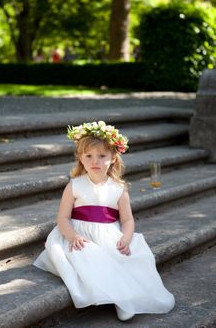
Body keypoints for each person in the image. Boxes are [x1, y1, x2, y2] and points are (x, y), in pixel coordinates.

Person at [33, 121, 175, 321]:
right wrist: (72, 236)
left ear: (113, 158)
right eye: (89, 156)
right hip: (79, 234)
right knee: (88, 253)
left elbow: (127, 220)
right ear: (81, 159)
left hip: (108, 233)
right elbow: (63, 217)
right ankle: (120, 299)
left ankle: (126, 298)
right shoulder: (74, 186)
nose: (95, 161)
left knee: (125, 256)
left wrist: (126, 238)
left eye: (102, 156)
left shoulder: (118, 189)